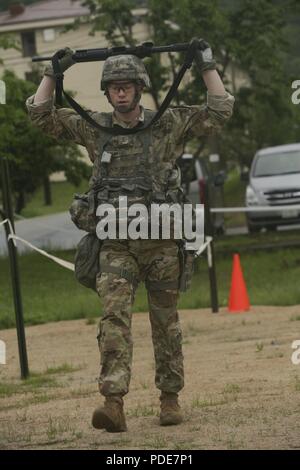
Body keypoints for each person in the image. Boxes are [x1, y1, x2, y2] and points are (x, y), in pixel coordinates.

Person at [26, 41, 234, 433]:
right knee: (114, 321)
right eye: (114, 86)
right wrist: (52, 74)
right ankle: (113, 402)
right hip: (116, 244)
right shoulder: (95, 128)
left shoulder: (167, 123)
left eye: (127, 85)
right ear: (107, 92)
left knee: (165, 323)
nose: (120, 92)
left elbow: (220, 110)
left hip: (161, 243)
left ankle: (170, 398)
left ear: (139, 88)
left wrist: (206, 61)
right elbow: (40, 115)